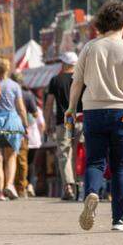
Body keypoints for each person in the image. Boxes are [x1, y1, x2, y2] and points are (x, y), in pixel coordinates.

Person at [68, 0, 123, 232]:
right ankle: (119, 219)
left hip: (92, 109)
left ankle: (92, 192)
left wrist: (71, 109)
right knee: (120, 165)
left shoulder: (90, 47)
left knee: (94, 161)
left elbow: (77, 82)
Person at [0, 57, 28, 201]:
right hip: (12, 123)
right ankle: (9, 184)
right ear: (8, 68)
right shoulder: (15, 86)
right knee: (11, 157)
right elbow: (21, 108)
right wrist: (25, 124)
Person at [45, 50, 80, 200]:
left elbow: (49, 104)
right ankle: (83, 185)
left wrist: (47, 123)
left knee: (65, 153)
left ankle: (69, 187)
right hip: (82, 118)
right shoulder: (82, 79)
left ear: (64, 64)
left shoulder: (56, 80)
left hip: (66, 120)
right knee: (79, 152)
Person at [14, 73, 44, 198]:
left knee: (17, 161)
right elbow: (37, 115)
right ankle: (29, 185)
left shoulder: (11, 93)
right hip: (31, 133)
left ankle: (19, 186)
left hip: (15, 130)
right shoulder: (28, 95)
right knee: (29, 162)